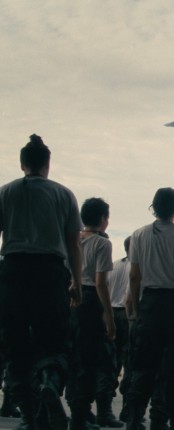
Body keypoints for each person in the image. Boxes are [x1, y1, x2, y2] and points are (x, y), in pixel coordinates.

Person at [0, 134, 82, 430]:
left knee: (15, 346)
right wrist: (75, 281)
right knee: (54, 341)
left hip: (12, 271)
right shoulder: (64, 194)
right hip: (50, 273)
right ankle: (49, 381)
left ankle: (28, 416)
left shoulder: (5, 193)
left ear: (22, 163)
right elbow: (74, 244)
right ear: (48, 164)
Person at [123, 188, 174, 430]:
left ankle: (134, 417)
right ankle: (173, 419)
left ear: (154, 207)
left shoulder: (139, 235)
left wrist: (137, 309)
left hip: (151, 302)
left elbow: (134, 276)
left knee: (143, 364)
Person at [66, 197, 117, 430]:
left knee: (74, 356)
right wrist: (109, 317)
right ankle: (81, 415)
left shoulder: (73, 239)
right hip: (90, 301)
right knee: (92, 359)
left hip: (70, 299)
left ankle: (78, 411)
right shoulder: (102, 244)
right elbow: (100, 283)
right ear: (103, 219)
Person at [103, 236, 132, 426]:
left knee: (109, 364)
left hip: (110, 313)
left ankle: (105, 408)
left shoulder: (113, 265)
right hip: (127, 315)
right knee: (130, 363)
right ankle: (127, 410)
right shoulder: (137, 266)